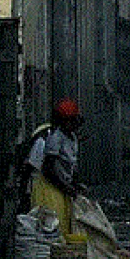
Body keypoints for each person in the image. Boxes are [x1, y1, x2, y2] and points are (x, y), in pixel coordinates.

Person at [24, 98, 86, 242]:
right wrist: (66, 187)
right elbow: (48, 168)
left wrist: (75, 185)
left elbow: (71, 166)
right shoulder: (55, 137)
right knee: (52, 226)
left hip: (61, 188)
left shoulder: (71, 138)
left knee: (65, 225)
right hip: (49, 188)